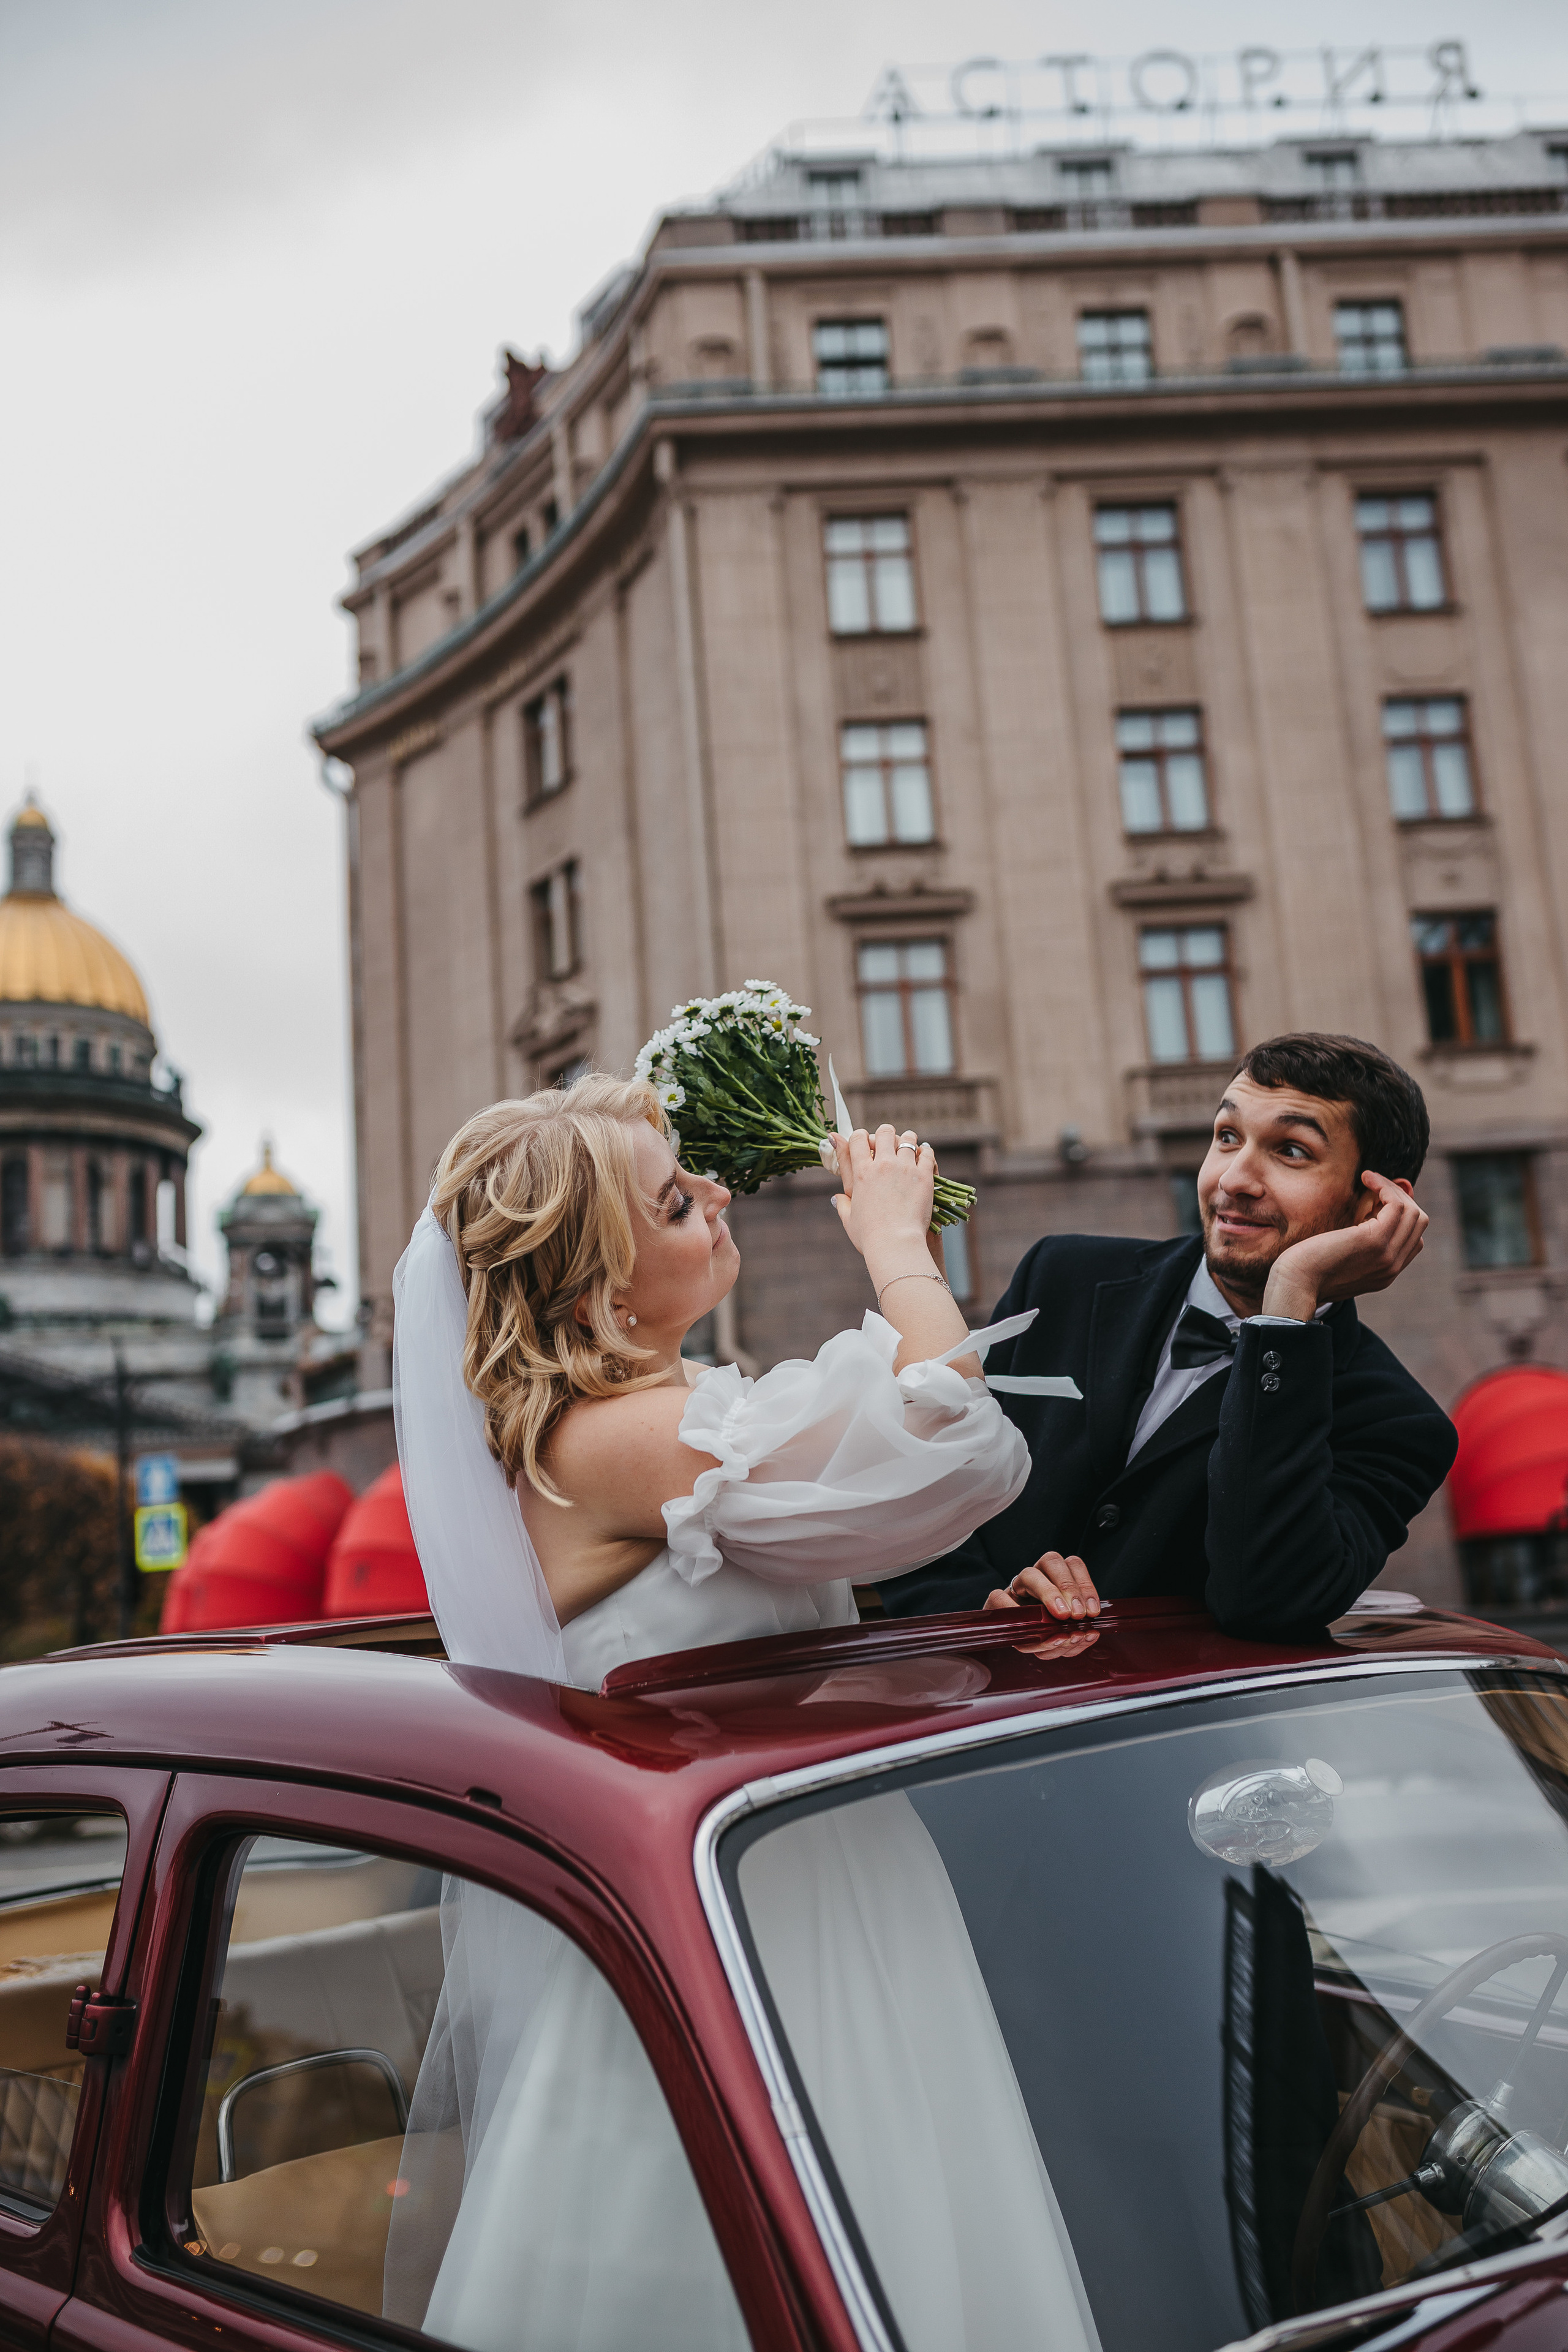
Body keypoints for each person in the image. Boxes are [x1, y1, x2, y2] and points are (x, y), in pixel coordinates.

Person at [387, 1074, 1101, 2352]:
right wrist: (896, 1240)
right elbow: (957, 1444)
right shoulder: (614, 1440)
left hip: (812, 1880)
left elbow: (767, 1672)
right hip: (742, 1921)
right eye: (675, 1201)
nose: (716, 1194)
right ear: (601, 1294)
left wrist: (979, 1626)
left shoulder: (656, 1427)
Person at [882, 1033, 1458, 1642]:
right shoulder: (1060, 1277)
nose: (1234, 1178)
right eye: (1227, 1137)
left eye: (1291, 1151)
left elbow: (1268, 1599)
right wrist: (981, 1619)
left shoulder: (1399, 1425)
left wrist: (1288, 1313)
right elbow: (923, 1492)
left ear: (1376, 1208)